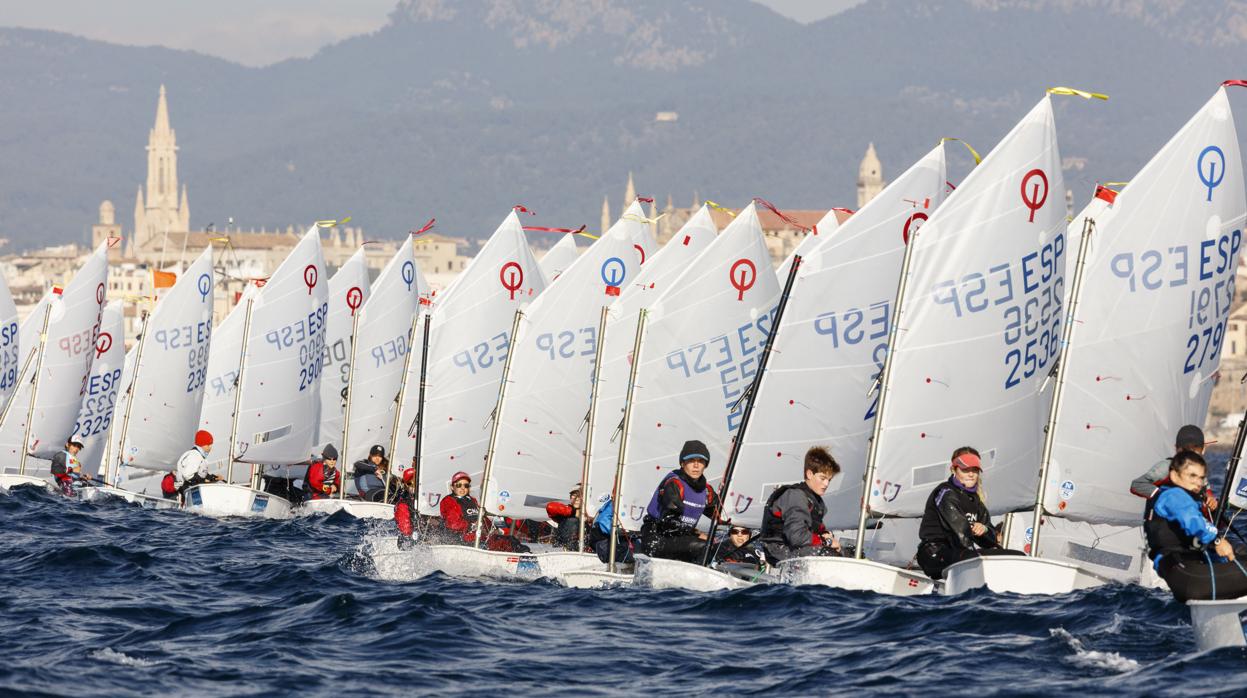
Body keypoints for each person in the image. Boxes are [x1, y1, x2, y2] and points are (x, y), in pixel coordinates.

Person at [1146, 450, 1247, 602]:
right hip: (1188, 577)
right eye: (1192, 476)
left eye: (1201, 477)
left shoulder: (1186, 498)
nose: (1198, 482)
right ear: (1174, 475)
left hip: (1191, 573)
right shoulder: (1173, 496)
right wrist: (1217, 540)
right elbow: (1193, 521)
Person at [916, 447, 1024, 580]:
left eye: (975, 470)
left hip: (960, 553)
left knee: (1018, 556)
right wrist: (980, 559)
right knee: (976, 559)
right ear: (954, 470)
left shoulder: (976, 501)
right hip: (934, 553)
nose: (971, 474)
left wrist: (984, 530)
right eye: (965, 470)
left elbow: (991, 540)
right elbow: (961, 532)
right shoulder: (946, 493)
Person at [639, 439, 722, 562]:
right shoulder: (674, 484)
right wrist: (698, 534)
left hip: (681, 538)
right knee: (705, 546)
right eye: (691, 461)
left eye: (700, 461)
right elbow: (669, 524)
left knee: (720, 548)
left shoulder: (707, 491)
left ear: (705, 465)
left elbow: (722, 517)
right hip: (657, 538)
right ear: (682, 464)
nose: (696, 465)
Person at [759, 446, 844, 565]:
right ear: (809, 474)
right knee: (829, 555)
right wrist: (826, 542)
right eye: (823, 478)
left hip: (797, 548)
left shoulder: (816, 501)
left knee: (848, 554)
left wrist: (825, 535)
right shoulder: (796, 496)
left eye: (829, 480)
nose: (826, 484)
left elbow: (815, 529)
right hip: (779, 550)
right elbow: (797, 536)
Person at [1130, 424, 1216, 513]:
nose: (1190, 456)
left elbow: (1207, 490)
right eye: (1185, 450)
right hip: (1164, 522)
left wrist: (1211, 499)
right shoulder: (1165, 468)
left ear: (1203, 449)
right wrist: (1165, 496)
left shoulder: (1199, 471)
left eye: (1195, 450)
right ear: (1176, 449)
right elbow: (1137, 484)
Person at [437, 471, 529, 552]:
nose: (462, 488)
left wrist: (494, 529)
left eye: (466, 485)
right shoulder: (448, 501)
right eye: (458, 485)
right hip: (461, 541)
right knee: (486, 546)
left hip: (478, 537)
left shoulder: (472, 500)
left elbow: (482, 518)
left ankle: (525, 557)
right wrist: (471, 525)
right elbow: (453, 523)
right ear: (452, 487)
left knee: (510, 541)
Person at [588, 495, 635, 565]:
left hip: (604, 543)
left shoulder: (612, 504)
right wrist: (621, 531)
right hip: (606, 544)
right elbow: (604, 522)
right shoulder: (612, 505)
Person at [174, 430, 221, 499]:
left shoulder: (200, 456)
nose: (210, 447)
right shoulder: (194, 455)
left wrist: (213, 478)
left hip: (191, 489)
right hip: (185, 490)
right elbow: (188, 475)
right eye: (208, 445)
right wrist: (204, 481)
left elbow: (201, 474)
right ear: (202, 444)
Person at [545, 486, 585, 550]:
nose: (576, 498)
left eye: (580, 496)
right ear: (570, 498)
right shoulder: (566, 512)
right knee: (572, 521)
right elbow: (550, 506)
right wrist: (572, 511)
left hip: (585, 548)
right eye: (574, 495)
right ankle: (569, 549)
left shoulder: (590, 513)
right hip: (565, 547)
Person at [394, 468, 417, 549]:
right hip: (408, 544)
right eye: (410, 483)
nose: (413, 486)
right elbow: (405, 530)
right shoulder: (403, 504)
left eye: (416, 483)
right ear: (406, 485)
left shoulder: (423, 501)